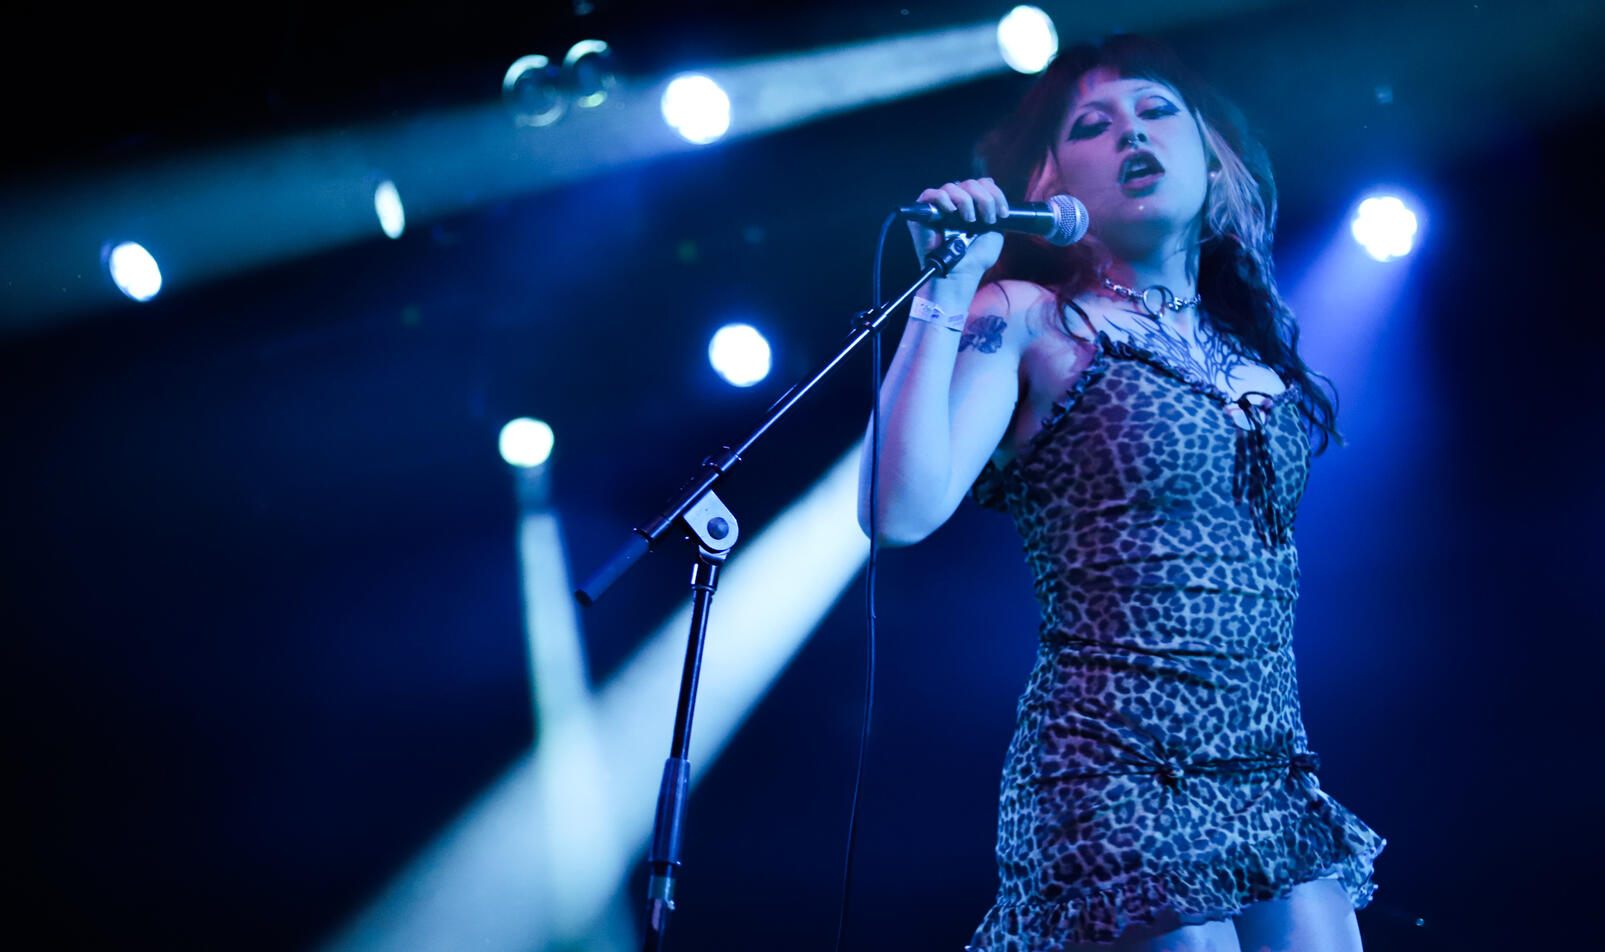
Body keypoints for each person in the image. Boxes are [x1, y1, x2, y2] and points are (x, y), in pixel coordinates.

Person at [856, 34, 1385, 952]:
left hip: (1270, 767)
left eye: (1155, 112)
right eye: (1091, 127)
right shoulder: (1027, 318)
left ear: (1212, 163)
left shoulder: (1254, 353)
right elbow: (895, 511)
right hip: (1114, 765)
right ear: (1051, 185)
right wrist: (942, 290)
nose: (1129, 134)